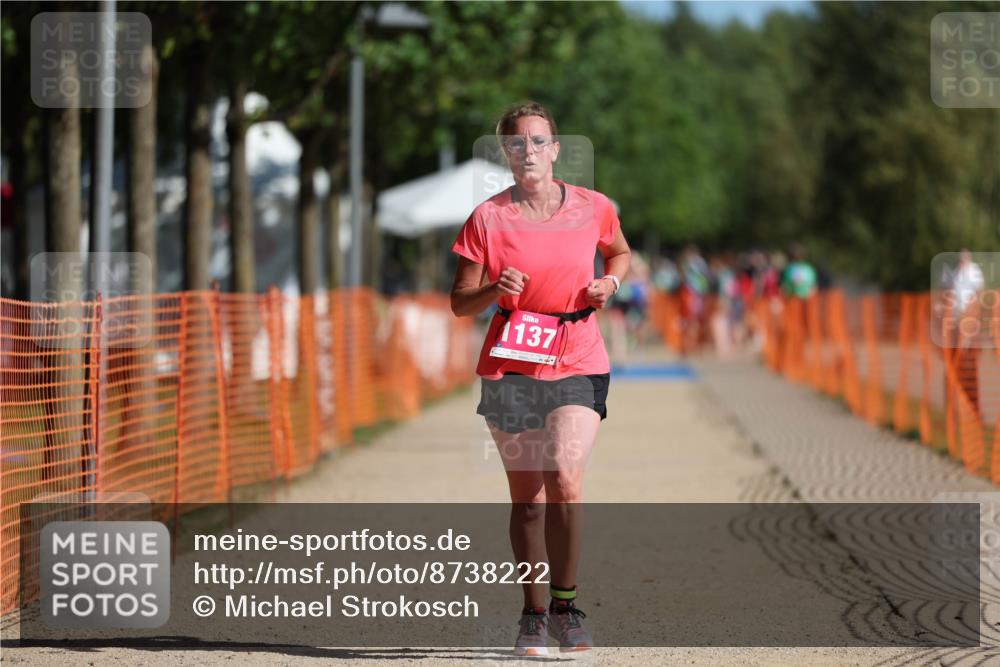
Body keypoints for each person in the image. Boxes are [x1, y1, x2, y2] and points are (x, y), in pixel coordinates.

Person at [449, 102, 630, 656]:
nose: (527, 151)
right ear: (505, 153)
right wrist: (493, 291)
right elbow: (460, 303)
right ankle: (533, 615)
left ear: (555, 149)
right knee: (528, 499)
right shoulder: (487, 218)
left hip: (578, 355)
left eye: (538, 141)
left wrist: (611, 284)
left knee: (566, 482)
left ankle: (566, 604)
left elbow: (619, 252)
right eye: (516, 143)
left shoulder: (593, 207)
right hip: (512, 362)